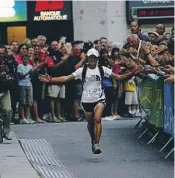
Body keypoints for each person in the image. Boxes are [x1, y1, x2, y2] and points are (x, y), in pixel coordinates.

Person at [39, 48, 140, 154]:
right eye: (90, 58)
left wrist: (131, 74)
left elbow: (118, 77)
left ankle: (97, 143)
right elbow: (66, 78)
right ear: (87, 58)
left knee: (97, 119)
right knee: (90, 125)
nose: (92, 60)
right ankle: (93, 139)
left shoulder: (102, 69)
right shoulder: (82, 70)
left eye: (94, 58)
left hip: (99, 98)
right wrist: (51, 79)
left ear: (97, 59)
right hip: (86, 100)